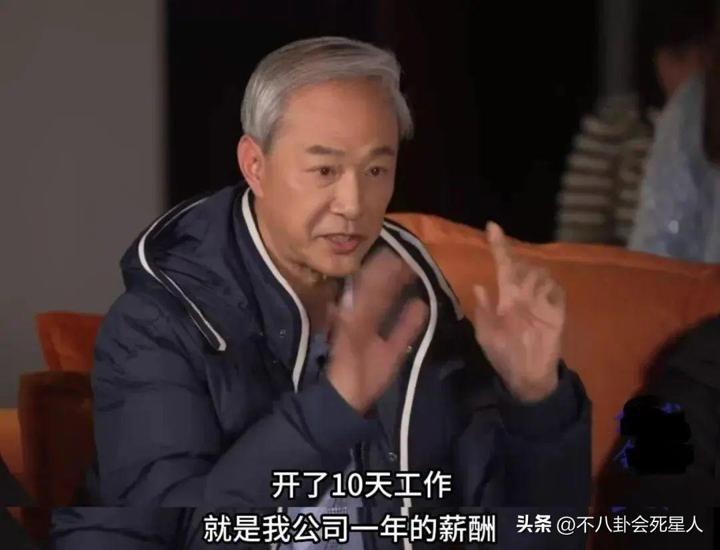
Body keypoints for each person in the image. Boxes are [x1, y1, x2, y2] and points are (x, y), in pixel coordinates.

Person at [51, 37, 590, 549]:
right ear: (255, 165)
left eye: (376, 169)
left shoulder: (414, 308)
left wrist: (536, 401)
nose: (353, 203)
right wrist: (334, 407)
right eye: (325, 169)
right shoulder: (159, 325)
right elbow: (183, 535)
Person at [628, 2, 720, 261]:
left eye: (702, 55)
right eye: (680, 56)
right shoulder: (690, 112)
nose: (693, 66)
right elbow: (654, 258)